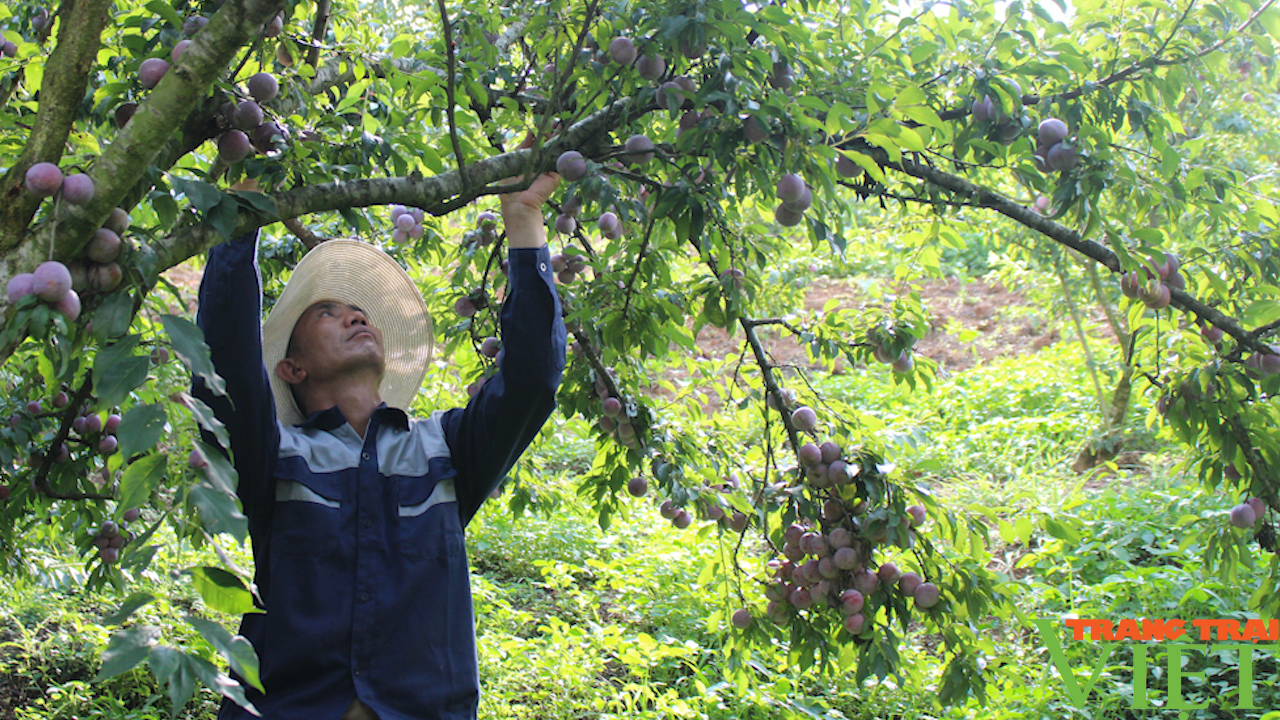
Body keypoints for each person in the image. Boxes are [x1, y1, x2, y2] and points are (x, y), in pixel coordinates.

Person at [191, 166, 566, 720]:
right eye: (328, 313)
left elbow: (532, 380)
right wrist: (240, 217)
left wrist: (524, 221)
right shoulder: (276, 456)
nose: (355, 315)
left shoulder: (444, 450)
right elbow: (227, 367)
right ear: (292, 368)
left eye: (359, 312)